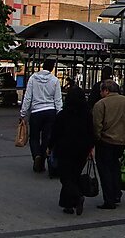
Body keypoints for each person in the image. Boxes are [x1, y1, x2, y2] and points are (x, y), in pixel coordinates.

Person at [49, 87, 94, 215]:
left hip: (65, 149)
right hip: (82, 150)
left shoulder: (62, 115)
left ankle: (77, 196)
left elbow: (55, 133)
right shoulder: (87, 115)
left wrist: (50, 146)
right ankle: (68, 204)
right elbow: (91, 132)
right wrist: (91, 147)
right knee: (74, 175)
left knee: (66, 177)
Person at [92, 80, 125, 210]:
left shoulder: (101, 104)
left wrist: (96, 139)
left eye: (101, 91)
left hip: (105, 141)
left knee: (105, 170)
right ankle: (117, 193)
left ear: (106, 90)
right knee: (115, 167)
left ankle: (109, 199)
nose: (100, 93)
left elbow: (96, 125)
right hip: (122, 141)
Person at [19, 58, 63, 173]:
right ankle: (42, 160)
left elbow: (28, 97)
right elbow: (58, 100)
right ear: (52, 68)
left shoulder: (33, 78)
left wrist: (23, 113)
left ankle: (36, 155)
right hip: (50, 111)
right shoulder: (55, 80)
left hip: (36, 112)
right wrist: (59, 114)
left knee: (34, 137)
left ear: (42, 67)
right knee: (46, 137)